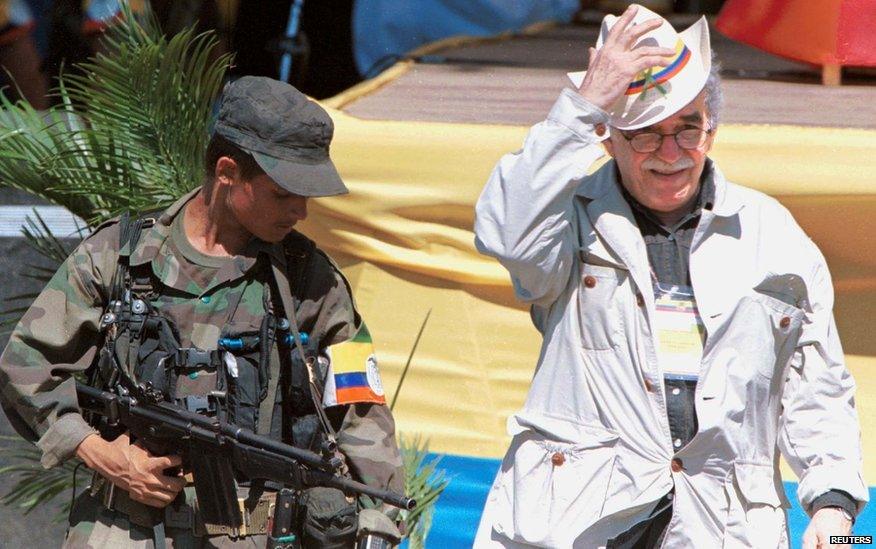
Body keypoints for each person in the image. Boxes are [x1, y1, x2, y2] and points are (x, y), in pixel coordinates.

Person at [473, 5, 867, 548]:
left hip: (725, 527)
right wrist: (582, 105)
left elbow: (817, 385)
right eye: (645, 135)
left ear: (713, 129)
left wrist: (835, 511)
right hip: (580, 523)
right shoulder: (566, 219)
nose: (670, 153)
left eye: (687, 130)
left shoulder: (773, 234)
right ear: (607, 138)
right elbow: (503, 230)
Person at [0, 76, 404, 548]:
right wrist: (102, 453)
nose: (301, 211)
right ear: (228, 171)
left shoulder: (307, 279)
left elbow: (359, 408)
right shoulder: (119, 255)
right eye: (284, 193)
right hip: (125, 527)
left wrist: (380, 521)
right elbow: (25, 365)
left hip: (254, 532)